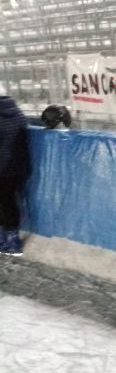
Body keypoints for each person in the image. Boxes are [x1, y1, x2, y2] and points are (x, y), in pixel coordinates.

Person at [0, 92, 30, 256]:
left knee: (5, 202)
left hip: (3, 167)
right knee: (8, 201)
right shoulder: (17, 114)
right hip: (16, 166)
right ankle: (9, 238)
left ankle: (11, 241)